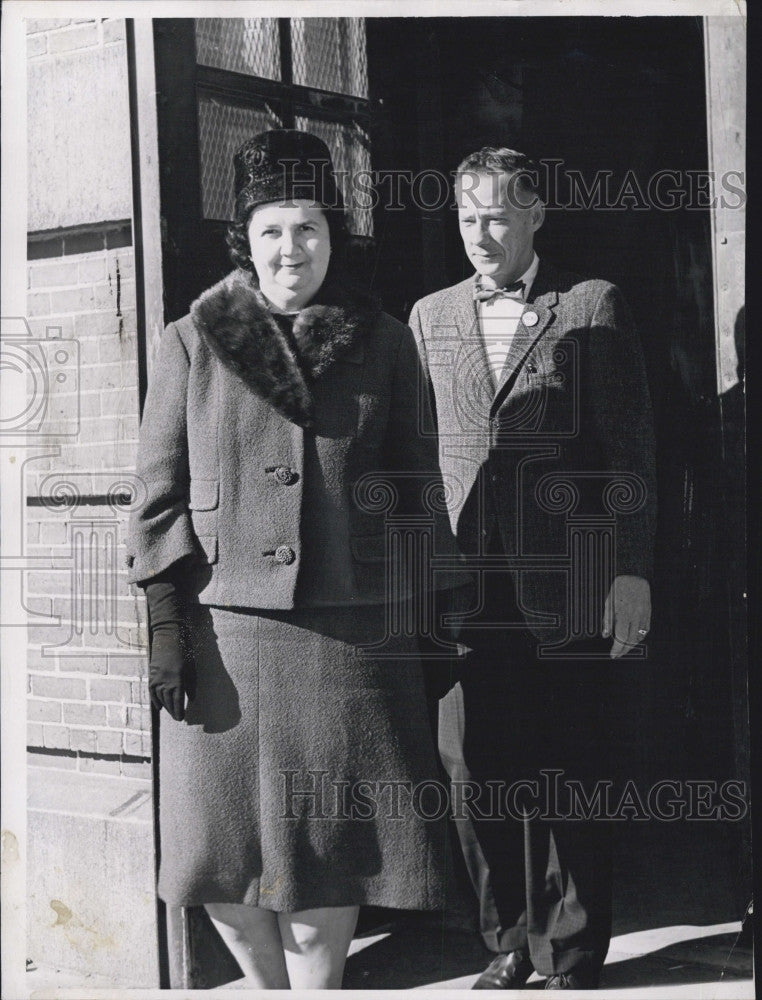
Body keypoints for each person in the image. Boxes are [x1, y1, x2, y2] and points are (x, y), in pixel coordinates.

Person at [126, 129, 462, 990]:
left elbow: (417, 483)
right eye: (273, 229)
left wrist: (432, 615)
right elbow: (156, 495)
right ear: (246, 239)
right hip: (226, 633)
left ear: (331, 236)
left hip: (353, 638)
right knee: (217, 855)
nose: (291, 249)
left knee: (334, 850)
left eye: (308, 229)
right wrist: (167, 619)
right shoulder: (190, 342)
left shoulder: (383, 340)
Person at [409, 148, 656, 990]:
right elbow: (417, 459)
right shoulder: (429, 315)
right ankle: (508, 940)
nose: (483, 234)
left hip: (569, 583)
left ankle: (575, 949)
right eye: (468, 217)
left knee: (572, 763)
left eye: (500, 216)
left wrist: (629, 571)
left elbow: (630, 451)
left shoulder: (590, 305)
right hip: (464, 590)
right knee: (474, 767)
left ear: (536, 213)